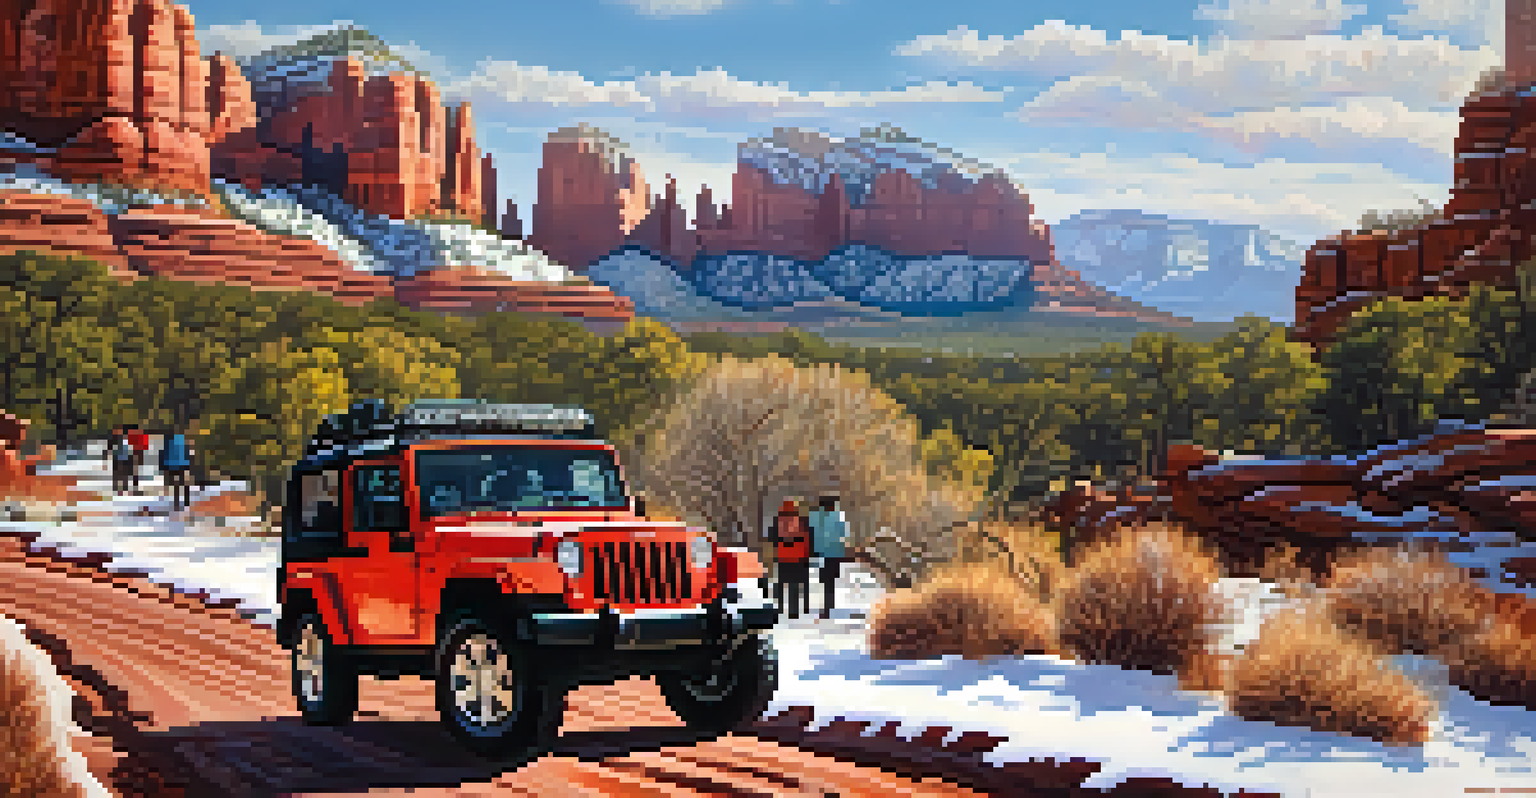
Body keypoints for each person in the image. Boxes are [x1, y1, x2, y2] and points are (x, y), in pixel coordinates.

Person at [808, 495, 850, 620]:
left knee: (825, 580)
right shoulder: (838, 516)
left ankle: (826, 606)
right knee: (830, 582)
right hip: (834, 553)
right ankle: (828, 606)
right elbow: (844, 533)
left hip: (820, 553)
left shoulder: (815, 517)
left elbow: (810, 532)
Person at [773, 499, 812, 620]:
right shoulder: (800, 522)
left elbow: (773, 538)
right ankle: (793, 612)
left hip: (782, 557)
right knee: (793, 586)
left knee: (781, 583)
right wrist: (806, 554)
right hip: (797, 557)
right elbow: (806, 538)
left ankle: (779, 608)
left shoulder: (778, 521)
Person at [160, 427, 192, 511]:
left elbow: (163, 453)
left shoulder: (167, 440)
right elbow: (186, 451)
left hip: (171, 464)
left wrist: (163, 466)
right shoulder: (182, 439)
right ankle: (186, 501)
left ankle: (177, 503)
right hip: (181, 464)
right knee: (184, 484)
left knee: (176, 485)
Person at [106, 426, 134, 497]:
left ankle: (124, 488)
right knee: (117, 474)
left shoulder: (126, 439)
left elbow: (129, 449)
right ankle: (116, 488)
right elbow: (109, 449)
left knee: (124, 474)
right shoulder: (112, 439)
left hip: (125, 459)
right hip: (117, 459)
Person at [126, 425, 149, 494]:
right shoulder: (142, 434)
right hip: (139, 453)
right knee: (136, 471)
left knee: (133, 470)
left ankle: (132, 486)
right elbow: (145, 445)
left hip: (133, 453)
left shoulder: (131, 434)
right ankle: (135, 487)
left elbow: (129, 444)